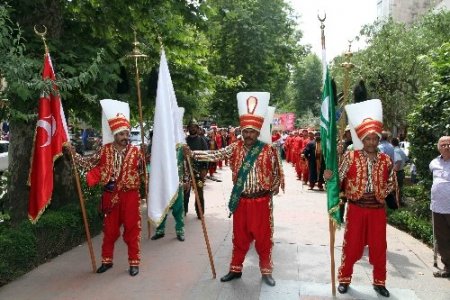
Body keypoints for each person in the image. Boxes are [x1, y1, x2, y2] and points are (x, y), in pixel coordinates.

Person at [193, 92, 284, 287]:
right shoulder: (234, 147)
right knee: (239, 237)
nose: (248, 135)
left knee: (263, 239)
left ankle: (266, 271)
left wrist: (273, 188)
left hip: (261, 202)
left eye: (252, 131)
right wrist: (192, 154)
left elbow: (278, 172)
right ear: (241, 131)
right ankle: (235, 270)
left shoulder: (268, 150)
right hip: (241, 200)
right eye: (245, 131)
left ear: (258, 132)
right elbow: (215, 154)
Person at [324, 99, 396, 298]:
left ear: (378, 139)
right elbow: (338, 177)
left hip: (377, 210)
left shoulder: (386, 159)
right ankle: (344, 279)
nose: (371, 142)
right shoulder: (351, 156)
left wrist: (382, 194)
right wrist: (328, 178)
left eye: (374, 138)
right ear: (361, 139)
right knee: (352, 244)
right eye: (367, 139)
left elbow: (392, 182)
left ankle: (379, 282)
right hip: (356, 208)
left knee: (379, 247)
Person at [72, 99, 145, 276]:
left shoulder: (136, 152)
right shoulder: (104, 151)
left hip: (130, 196)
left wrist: (145, 192)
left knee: (131, 230)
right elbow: (89, 164)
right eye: (121, 134)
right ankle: (107, 260)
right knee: (110, 231)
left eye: (127, 134)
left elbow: (144, 174)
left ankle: (134, 262)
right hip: (111, 196)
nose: (125, 137)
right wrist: (73, 155)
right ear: (114, 135)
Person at [151, 144, 188, 241]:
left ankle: (180, 231)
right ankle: (160, 231)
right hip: (163, 184)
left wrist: (186, 180)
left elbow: (186, 164)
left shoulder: (181, 147)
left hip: (177, 183)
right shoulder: (159, 145)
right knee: (162, 207)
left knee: (178, 208)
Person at [430, 136, 450, 278]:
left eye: (449, 144)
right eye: (443, 144)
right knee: (442, 239)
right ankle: (447, 267)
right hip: (437, 207)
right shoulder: (433, 163)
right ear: (439, 147)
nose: (446, 147)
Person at [184, 119, 209, 218]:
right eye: (191, 127)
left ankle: (200, 213)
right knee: (185, 193)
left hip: (198, 170)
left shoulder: (202, 140)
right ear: (188, 128)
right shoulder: (184, 141)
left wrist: (204, 169)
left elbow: (206, 156)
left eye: (194, 127)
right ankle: (183, 211)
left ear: (197, 128)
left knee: (199, 193)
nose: (192, 128)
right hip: (186, 171)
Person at [392, 137, 408, 205]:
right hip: (401, 172)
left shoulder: (395, 151)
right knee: (400, 188)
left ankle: (396, 204)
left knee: (395, 189)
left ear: (392, 143)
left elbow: (398, 161)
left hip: (397, 172)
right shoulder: (401, 150)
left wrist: (394, 170)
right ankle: (400, 202)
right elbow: (407, 159)